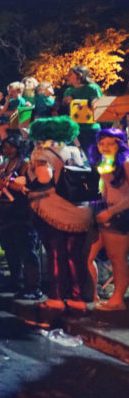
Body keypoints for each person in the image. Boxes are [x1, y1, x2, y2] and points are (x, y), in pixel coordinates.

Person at [26, 117, 93, 313]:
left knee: (56, 255)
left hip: (53, 209)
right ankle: (78, 298)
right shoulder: (76, 150)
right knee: (75, 256)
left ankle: (56, 296)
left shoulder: (42, 153)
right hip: (80, 210)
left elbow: (43, 178)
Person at [0, 134, 42, 300]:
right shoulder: (4, 165)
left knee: (27, 250)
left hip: (22, 213)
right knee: (10, 249)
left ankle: (33, 287)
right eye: (4, 147)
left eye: (10, 146)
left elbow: (28, 186)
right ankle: (15, 281)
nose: (7, 150)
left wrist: (8, 184)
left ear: (18, 146)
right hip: (4, 213)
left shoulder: (25, 165)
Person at [89, 128, 129, 310]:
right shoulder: (103, 161)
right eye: (101, 143)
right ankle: (91, 293)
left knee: (117, 258)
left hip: (119, 214)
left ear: (120, 144)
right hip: (103, 211)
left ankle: (118, 299)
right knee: (88, 255)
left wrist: (112, 212)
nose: (104, 147)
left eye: (110, 143)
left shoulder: (126, 163)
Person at [63, 65, 103, 152]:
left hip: (90, 129)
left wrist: (82, 102)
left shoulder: (92, 88)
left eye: (70, 74)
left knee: (93, 158)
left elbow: (99, 107)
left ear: (79, 75)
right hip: (74, 130)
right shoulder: (68, 91)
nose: (67, 76)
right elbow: (65, 112)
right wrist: (65, 103)